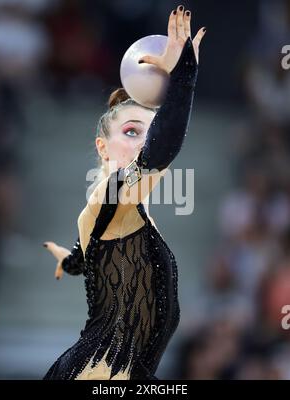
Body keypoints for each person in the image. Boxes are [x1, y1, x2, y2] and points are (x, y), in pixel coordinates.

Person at [42, 5, 206, 380]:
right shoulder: (110, 194)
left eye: (147, 132)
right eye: (131, 132)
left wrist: (68, 259)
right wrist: (183, 76)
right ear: (103, 147)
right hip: (102, 371)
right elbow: (159, 152)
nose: (142, 143)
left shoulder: (120, 211)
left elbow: (84, 260)